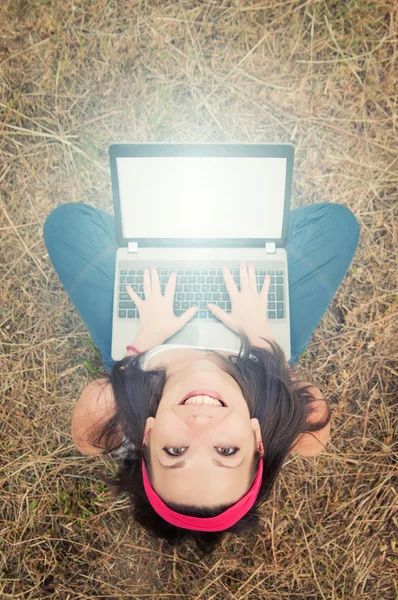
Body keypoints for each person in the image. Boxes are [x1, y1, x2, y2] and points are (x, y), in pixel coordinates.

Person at [43, 201, 360, 555]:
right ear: (257, 439)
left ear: (147, 436)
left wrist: (142, 345)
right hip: (255, 343)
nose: (201, 424)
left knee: (67, 226)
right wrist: (263, 341)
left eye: (175, 450)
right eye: (226, 451)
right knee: (336, 225)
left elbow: (66, 224)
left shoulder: (107, 411)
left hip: (147, 340)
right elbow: (335, 224)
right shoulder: (304, 420)